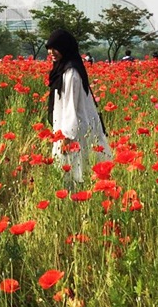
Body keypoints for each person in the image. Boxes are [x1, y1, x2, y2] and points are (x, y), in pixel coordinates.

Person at [46, 29, 112, 191]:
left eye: (55, 48)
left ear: (65, 47)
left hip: (75, 129)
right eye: (49, 48)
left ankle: (77, 197)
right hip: (70, 126)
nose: (51, 52)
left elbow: (71, 106)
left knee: (75, 168)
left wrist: (67, 136)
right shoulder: (64, 69)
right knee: (77, 167)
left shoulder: (71, 73)